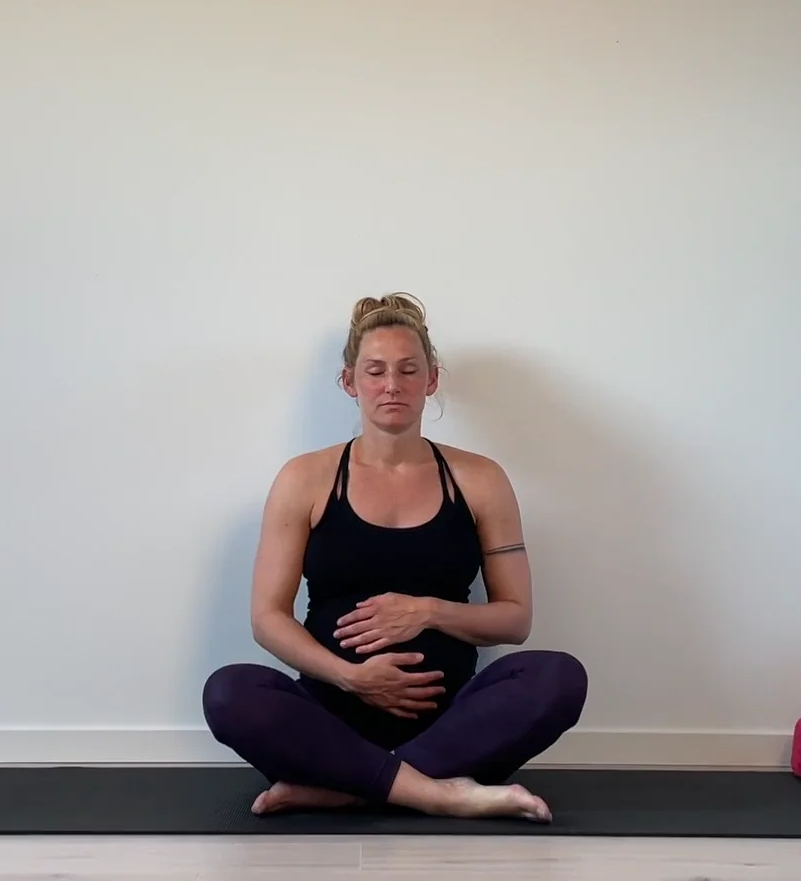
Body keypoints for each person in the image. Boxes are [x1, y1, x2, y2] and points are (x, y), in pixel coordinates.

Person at [202, 293, 588, 822]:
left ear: (431, 380)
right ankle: (438, 792)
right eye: (376, 370)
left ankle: (348, 787)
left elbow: (515, 620)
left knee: (559, 677)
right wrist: (351, 677)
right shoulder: (304, 478)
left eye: (409, 370)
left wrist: (428, 611)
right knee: (228, 692)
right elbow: (267, 619)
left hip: (450, 724)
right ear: (349, 381)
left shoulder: (481, 479)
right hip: (328, 720)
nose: (392, 385)